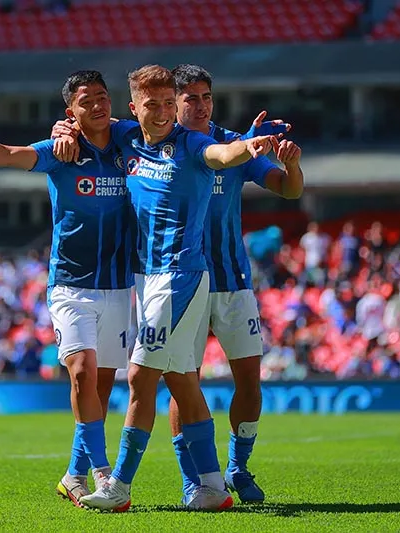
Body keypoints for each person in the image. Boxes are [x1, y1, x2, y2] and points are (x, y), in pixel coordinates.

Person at [62, 65, 277, 512]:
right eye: (152, 105)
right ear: (134, 108)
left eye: (166, 104)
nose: (161, 113)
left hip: (179, 275)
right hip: (146, 279)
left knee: (140, 376)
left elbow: (222, 154)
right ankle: (211, 486)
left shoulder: (191, 143)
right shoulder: (127, 138)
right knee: (182, 382)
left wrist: (248, 146)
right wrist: (64, 129)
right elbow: (91, 122)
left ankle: (119, 485)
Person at [0, 70, 133, 507]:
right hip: (71, 284)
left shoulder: (129, 142)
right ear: (70, 111)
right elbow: (8, 154)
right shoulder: (61, 152)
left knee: (100, 388)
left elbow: (165, 128)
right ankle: (104, 475)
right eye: (86, 101)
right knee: (81, 373)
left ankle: (73, 475)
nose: (97, 105)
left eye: (102, 97)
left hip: (119, 285)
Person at [168, 64, 302, 505]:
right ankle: (193, 479)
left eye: (206, 97)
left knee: (249, 380)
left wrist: (291, 165)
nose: (201, 105)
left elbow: (288, 190)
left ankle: (238, 468)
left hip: (232, 282)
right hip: (182, 283)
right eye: (191, 98)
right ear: (174, 102)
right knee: (184, 383)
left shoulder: (235, 144)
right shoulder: (158, 145)